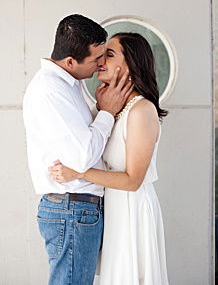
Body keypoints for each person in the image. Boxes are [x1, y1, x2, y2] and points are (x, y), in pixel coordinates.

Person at [50, 32, 170, 285]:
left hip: (131, 207)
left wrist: (79, 173)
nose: (101, 61)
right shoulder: (109, 107)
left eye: (110, 54)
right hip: (112, 206)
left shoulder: (141, 110)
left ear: (131, 64)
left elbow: (133, 180)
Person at [23, 14, 133, 284]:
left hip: (75, 209)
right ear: (71, 61)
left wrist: (99, 110)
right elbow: (83, 157)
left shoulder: (67, 85)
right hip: (72, 210)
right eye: (97, 59)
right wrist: (106, 112)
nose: (100, 65)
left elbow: (78, 141)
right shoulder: (52, 91)